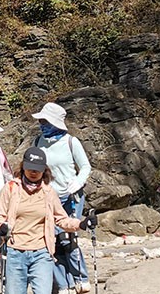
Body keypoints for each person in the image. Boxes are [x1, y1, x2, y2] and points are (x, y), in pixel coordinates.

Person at [0, 147, 97, 294]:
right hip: (15, 252)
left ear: (44, 170)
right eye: (30, 168)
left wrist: (81, 224)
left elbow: (61, 219)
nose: (34, 172)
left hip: (42, 253)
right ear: (23, 167)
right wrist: (1, 226)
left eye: (38, 169)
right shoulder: (10, 188)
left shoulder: (48, 192)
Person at [31, 102, 93, 294]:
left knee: (68, 237)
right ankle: (62, 284)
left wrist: (78, 181)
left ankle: (80, 278)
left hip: (71, 196)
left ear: (55, 123)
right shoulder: (37, 142)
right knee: (52, 239)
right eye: (40, 121)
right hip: (48, 197)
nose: (41, 124)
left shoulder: (70, 142)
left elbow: (85, 167)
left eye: (45, 121)